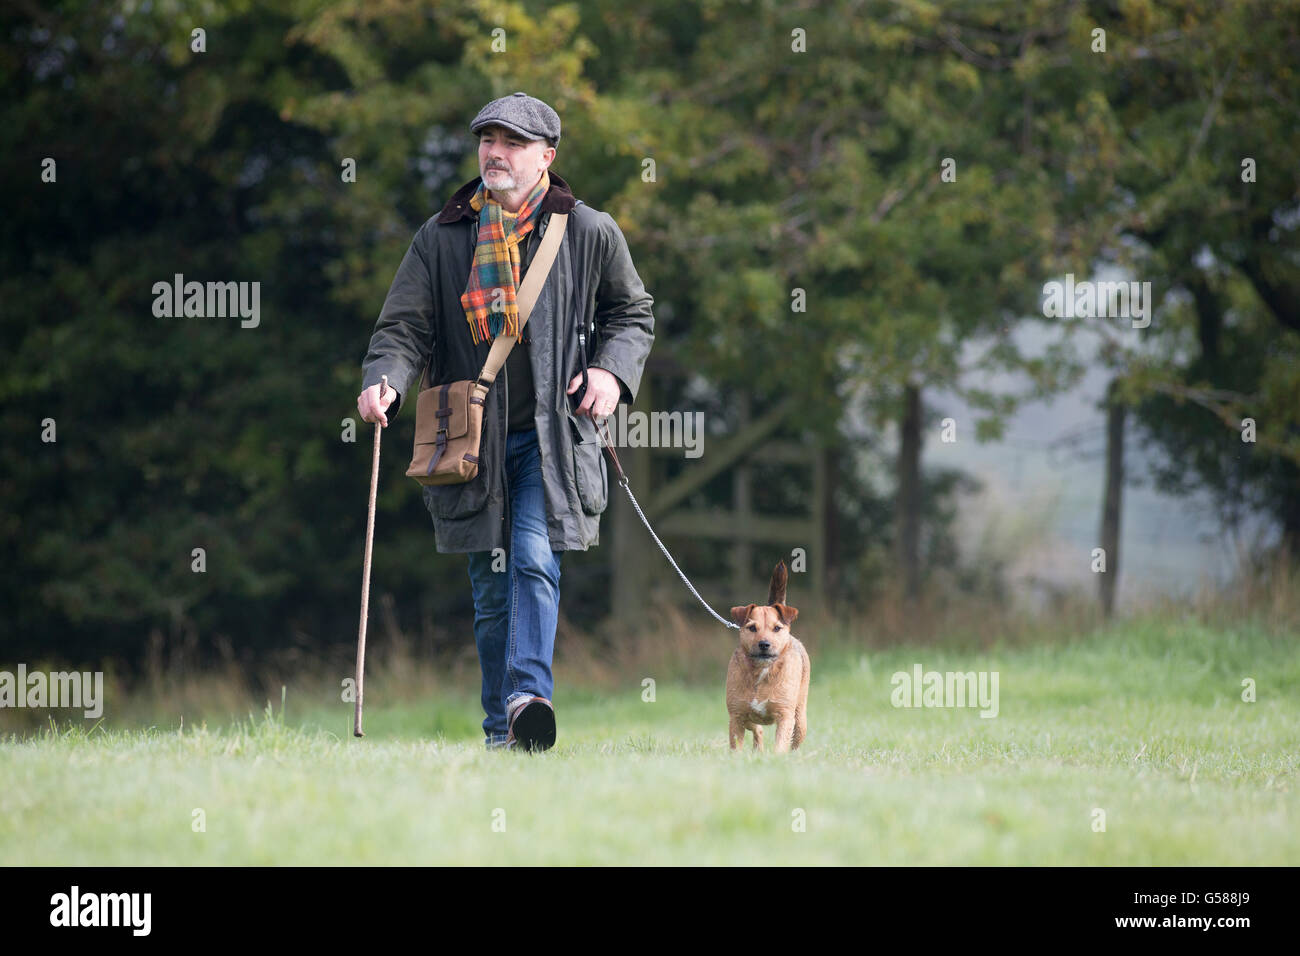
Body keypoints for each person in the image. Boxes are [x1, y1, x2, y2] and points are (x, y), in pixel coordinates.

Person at [356, 92, 655, 752]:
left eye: (513, 142)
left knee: (532, 559)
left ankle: (526, 697)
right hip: (470, 440)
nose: (496, 151)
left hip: (552, 441)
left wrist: (610, 373)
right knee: (492, 591)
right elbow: (403, 328)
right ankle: (503, 731)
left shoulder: (589, 232)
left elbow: (632, 315)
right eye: (488, 138)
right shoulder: (441, 237)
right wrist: (384, 383)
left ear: (546, 156)